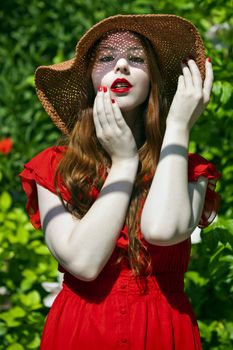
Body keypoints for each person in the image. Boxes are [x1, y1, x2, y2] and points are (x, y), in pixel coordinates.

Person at [19, 14, 221, 350]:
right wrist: (125, 162)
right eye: (107, 57)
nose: (122, 65)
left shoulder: (188, 169)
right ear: (90, 79)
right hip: (81, 330)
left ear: (154, 81)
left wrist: (178, 129)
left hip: (163, 329)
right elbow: (83, 262)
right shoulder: (54, 167)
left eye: (137, 58)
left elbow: (162, 229)